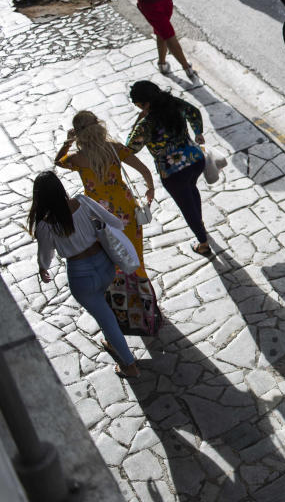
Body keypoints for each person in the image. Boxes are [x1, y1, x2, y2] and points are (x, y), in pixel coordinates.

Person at [30, 171, 140, 378]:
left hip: (81, 276)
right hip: (105, 265)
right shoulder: (82, 201)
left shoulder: (45, 225)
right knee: (104, 312)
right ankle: (112, 342)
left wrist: (43, 267)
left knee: (105, 317)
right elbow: (114, 222)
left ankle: (129, 365)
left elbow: (45, 253)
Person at [55, 111, 155, 277]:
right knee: (134, 254)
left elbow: (58, 161)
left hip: (97, 214)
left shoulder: (77, 159)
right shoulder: (115, 149)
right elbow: (144, 170)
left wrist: (68, 142)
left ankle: (120, 294)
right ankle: (142, 290)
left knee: (112, 256)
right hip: (126, 208)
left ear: (78, 134)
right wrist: (150, 188)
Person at [127, 80, 211, 255]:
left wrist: (138, 119)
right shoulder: (174, 104)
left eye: (138, 106)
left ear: (145, 104)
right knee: (192, 189)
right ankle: (199, 223)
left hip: (173, 172)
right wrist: (198, 133)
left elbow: (131, 147)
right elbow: (194, 113)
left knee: (186, 206)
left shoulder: (147, 124)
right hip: (195, 160)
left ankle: (203, 243)